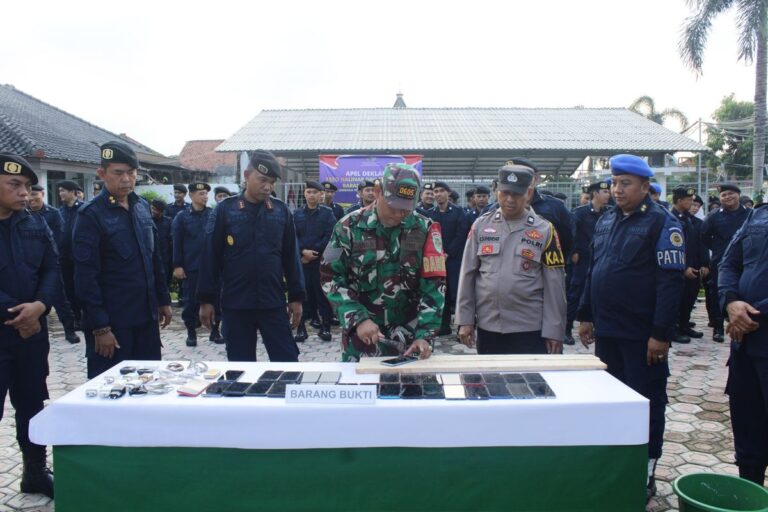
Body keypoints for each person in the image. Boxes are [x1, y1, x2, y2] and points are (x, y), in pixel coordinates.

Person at [577, 154, 685, 501]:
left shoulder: (662, 223)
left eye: (625, 184)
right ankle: (614, 462)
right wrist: (586, 314)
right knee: (611, 400)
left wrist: (661, 333)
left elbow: (671, 284)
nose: (617, 189)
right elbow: (596, 269)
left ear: (644, 186)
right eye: (614, 183)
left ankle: (646, 469)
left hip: (641, 336)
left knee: (646, 402)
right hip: (608, 330)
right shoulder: (607, 220)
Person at [321, 163, 446, 362]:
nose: (399, 214)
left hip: (410, 341)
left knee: (413, 391)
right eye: (394, 206)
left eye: (406, 208)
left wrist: (425, 335)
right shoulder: (347, 227)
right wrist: (358, 318)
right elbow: (329, 276)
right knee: (361, 390)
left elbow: (434, 286)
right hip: (363, 339)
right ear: (378, 192)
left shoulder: (425, 229)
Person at [72, 141, 172, 378]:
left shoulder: (141, 207)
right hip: (114, 323)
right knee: (111, 391)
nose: (126, 179)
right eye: (118, 173)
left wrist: (163, 300)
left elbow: (153, 257)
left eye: (131, 172)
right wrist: (100, 328)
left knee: (148, 385)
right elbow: (85, 277)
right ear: (102, 174)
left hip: (146, 319)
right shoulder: (91, 215)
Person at [197, 150, 304, 362]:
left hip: (272, 302)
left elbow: (291, 258)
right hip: (236, 304)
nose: (268, 187)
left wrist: (296, 297)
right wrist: (206, 300)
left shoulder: (281, 211)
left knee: (288, 362)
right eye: (262, 180)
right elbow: (211, 257)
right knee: (240, 367)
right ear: (247, 176)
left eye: (272, 182)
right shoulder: (225, 211)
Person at [456, 164, 566, 354]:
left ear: (529, 193)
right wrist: (465, 320)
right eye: (504, 193)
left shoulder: (545, 230)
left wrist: (554, 330)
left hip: (529, 328)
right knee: (491, 381)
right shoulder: (480, 225)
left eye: (516, 194)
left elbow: (555, 285)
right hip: (488, 326)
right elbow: (467, 275)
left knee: (531, 382)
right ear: (496, 191)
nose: (509, 199)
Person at [0, 153, 57, 499]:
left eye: (27, 187)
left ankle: (34, 472)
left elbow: (52, 267)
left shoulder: (35, 223)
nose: (25, 193)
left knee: (32, 403)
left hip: (32, 334)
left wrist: (39, 306)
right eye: (15, 185)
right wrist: (17, 315)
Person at [718, 202, 768, 485]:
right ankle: (750, 496)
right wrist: (731, 302)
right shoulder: (758, 215)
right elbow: (729, 262)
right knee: (748, 435)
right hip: (746, 346)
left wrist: (751, 311)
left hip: (754, 326)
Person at [28, 184, 80, 344]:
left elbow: (59, 240)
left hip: (52, 263)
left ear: (42, 194)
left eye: (34, 194)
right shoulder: (23, 214)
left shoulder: (54, 214)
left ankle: (69, 330)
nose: (31, 198)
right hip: (30, 266)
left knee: (61, 299)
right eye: (29, 195)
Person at [172, 183, 222, 346]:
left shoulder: (213, 215)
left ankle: (215, 331)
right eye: (201, 193)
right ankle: (191, 332)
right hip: (191, 267)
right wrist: (178, 265)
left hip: (212, 268)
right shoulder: (182, 217)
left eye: (206, 194)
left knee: (216, 300)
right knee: (190, 301)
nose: (205, 197)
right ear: (191, 196)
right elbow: (177, 243)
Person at [702, 183, 750, 342]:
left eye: (731, 194)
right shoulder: (714, 216)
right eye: (724, 195)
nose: (728, 197)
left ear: (738, 194)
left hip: (746, 261)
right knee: (717, 292)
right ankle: (718, 327)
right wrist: (718, 250)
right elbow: (704, 237)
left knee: (745, 290)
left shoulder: (751, 214)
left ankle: (742, 322)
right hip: (721, 261)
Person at [565, 179, 611, 345]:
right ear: (595, 194)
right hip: (582, 260)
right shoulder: (580, 213)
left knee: (599, 292)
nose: (608, 194)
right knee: (575, 294)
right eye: (604, 192)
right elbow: (571, 235)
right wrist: (573, 253)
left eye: (608, 191)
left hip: (602, 259)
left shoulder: (610, 213)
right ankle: (566, 329)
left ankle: (598, 327)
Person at [294, 181, 337, 343]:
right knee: (303, 295)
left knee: (322, 295)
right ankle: (301, 328)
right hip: (303, 262)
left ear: (321, 195)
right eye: (308, 192)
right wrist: (303, 252)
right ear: (304, 194)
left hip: (320, 263)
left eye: (315, 192)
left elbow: (330, 235)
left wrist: (314, 253)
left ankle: (325, 328)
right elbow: (292, 236)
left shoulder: (327, 214)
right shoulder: (296, 214)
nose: (311, 195)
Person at [426, 181, 470, 336]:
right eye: (435, 191)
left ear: (448, 193)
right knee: (441, 292)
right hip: (437, 261)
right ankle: (443, 326)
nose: (438, 194)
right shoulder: (431, 214)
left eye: (441, 191)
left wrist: (448, 253)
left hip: (454, 260)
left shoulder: (459, 212)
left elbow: (461, 234)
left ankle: (461, 327)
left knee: (457, 293)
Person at [671, 186, 709, 342]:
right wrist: (683, 267)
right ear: (680, 201)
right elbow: (673, 247)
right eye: (689, 200)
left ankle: (684, 326)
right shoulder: (670, 219)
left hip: (694, 267)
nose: (692, 204)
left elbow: (700, 244)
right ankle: (672, 330)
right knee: (675, 301)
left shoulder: (690, 219)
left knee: (689, 298)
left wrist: (705, 264)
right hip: (678, 269)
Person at [57, 180, 84, 331]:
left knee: (81, 287)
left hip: (80, 256)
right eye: (59, 191)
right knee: (68, 288)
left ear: (73, 192)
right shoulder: (60, 212)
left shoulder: (84, 209)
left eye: (63, 191)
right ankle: (76, 318)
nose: (61, 194)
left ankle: (85, 315)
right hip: (64, 257)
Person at [150, 199, 173, 292]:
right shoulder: (146, 221)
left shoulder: (169, 222)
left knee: (164, 285)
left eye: (155, 209)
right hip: (150, 259)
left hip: (165, 260)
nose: (153, 211)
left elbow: (172, 241)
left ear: (161, 211)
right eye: (152, 208)